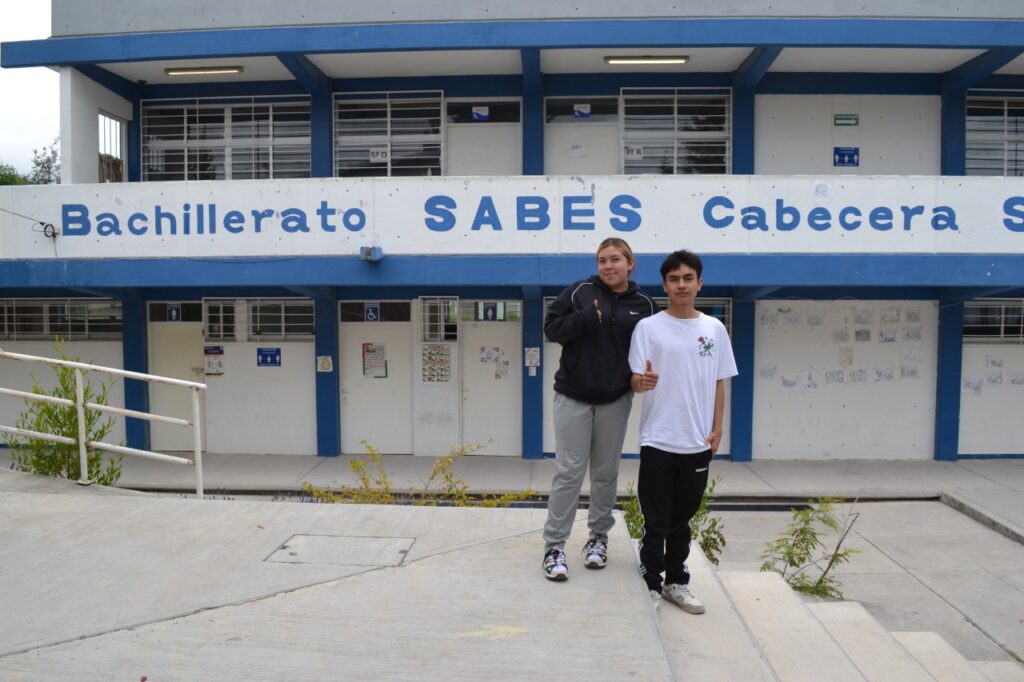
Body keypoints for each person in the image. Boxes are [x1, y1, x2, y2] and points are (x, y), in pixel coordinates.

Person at [628, 249, 737, 612]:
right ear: (664, 285)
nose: (681, 285)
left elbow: (720, 381)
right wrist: (642, 381)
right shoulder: (649, 327)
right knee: (656, 519)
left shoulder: (714, 329)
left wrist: (717, 428)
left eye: (688, 278)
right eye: (674, 279)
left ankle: (677, 581)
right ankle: (650, 582)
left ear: (699, 283)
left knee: (682, 520)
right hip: (658, 437)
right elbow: (635, 380)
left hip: (697, 442)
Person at [541, 237, 657, 581]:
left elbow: (647, 352)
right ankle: (554, 546)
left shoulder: (645, 304)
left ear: (630, 263)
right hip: (572, 397)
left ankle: (597, 539)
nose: (608, 266)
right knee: (569, 472)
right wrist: (586, 318)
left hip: (615, 400)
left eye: (615, 259)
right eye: (602, 260)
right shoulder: (578, 291)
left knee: (605, 475)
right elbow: (551, 330)